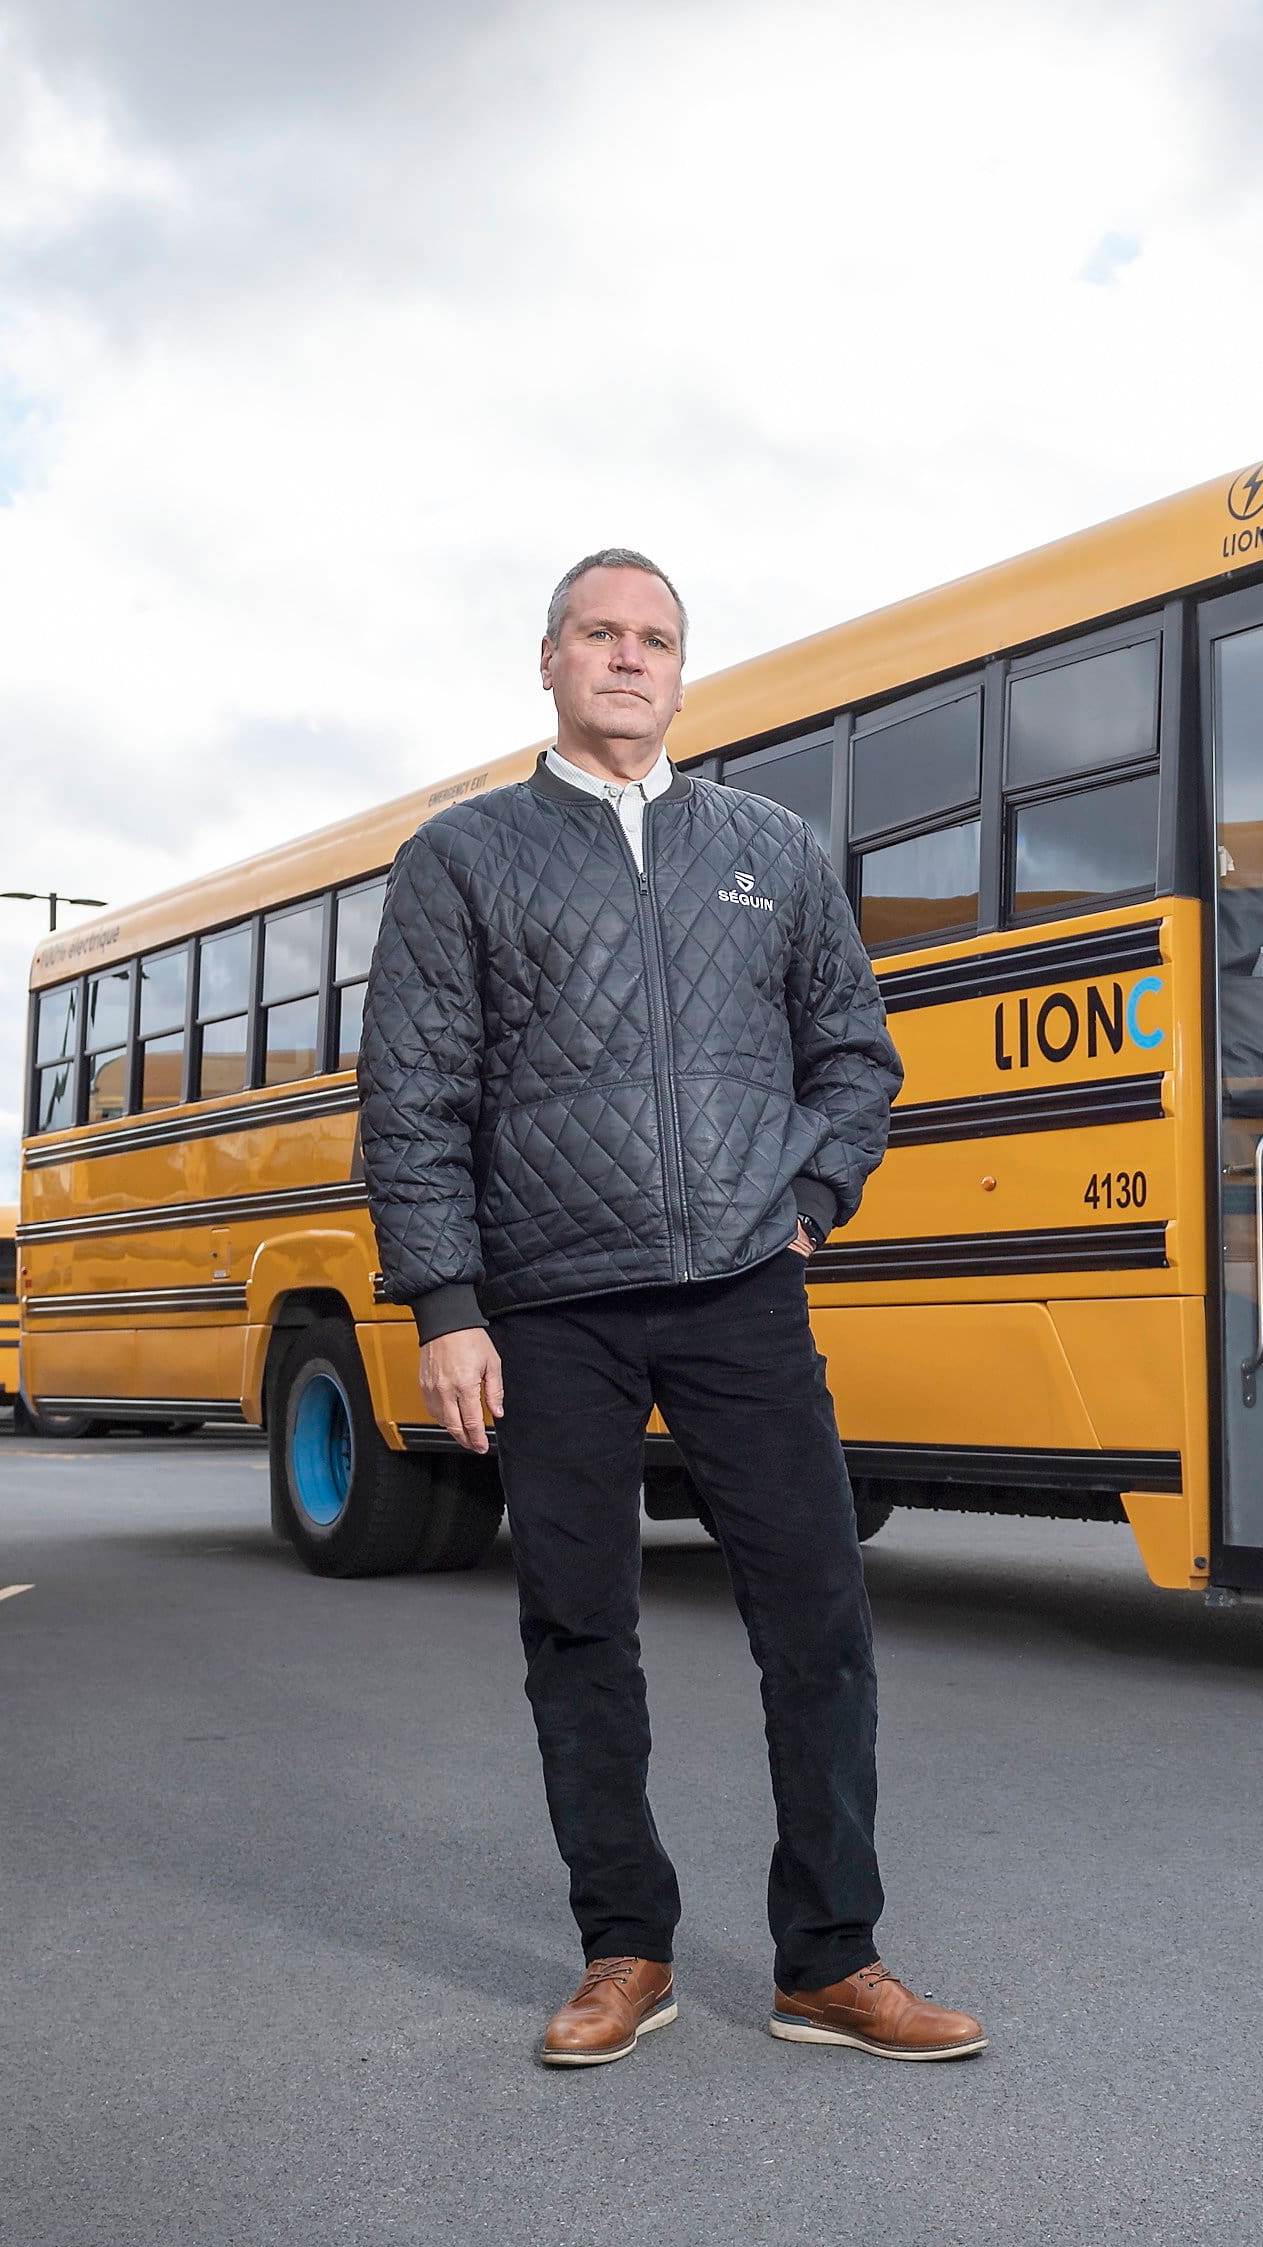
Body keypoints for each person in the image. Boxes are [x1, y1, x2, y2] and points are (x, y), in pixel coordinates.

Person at [361, 547, 985, 2070]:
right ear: (552, 660)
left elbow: (857, 1054)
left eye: (656, 639)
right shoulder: (466, 858)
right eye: (600, 634)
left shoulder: (767, 845)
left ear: (682, 671)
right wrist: (448, 1301)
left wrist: (812, 1195)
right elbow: (415, 1094)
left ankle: (830, 1958)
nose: (628, 659)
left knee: (819, 1619)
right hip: (550, 1305)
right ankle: (623, 1947)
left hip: (740, 1295)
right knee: (581, 1626)